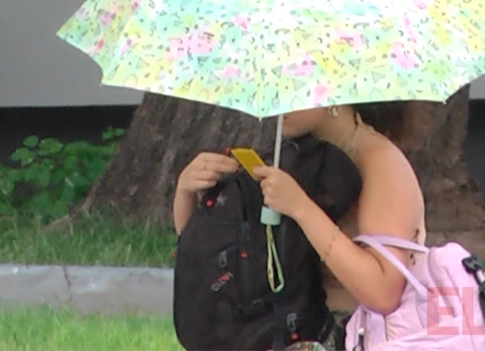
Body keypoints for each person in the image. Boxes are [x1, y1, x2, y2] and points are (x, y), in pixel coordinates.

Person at [173, 102, 426, 351]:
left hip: (356, 335)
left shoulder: (380, 163)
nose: (278, 102)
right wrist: (187, 191)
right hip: (292, 331)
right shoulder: (299, 154)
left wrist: (301, 208)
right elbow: (220, 260)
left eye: (292, 89)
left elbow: (383, 292)